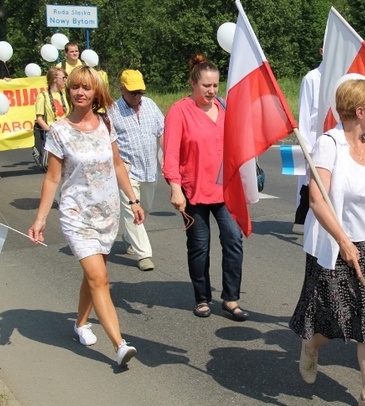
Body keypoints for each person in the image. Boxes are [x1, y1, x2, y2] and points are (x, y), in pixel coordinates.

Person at [289, 78, 365, 406]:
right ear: (359, 111)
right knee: (334, 318)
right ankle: (311, 346)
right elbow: (316, 200)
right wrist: (342, 240)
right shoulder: (330, 144)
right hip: (335, 246)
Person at [28, 65, 143, 368]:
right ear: (69, 91)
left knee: (95, 276)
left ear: (96, 93)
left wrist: (133, 200)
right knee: (99, 278)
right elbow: (53, 179)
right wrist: (40, 219)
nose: (80, 92)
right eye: (75, 87)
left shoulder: (106, 123)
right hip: (76, 214)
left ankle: (80, 323)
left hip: (107, 212)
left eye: (86, 88)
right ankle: (120, 345)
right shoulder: (59, 130)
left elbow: (118, 164)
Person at [163, 54, 249, 321]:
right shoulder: (179, 111)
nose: (212, 91)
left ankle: (231, 299)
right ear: (193, 84)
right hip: (194, 192)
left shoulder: (224, 107)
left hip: (226, 191)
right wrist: (175, 188)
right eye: (206, 86)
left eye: (215, 85)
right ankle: (202, 298)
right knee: (199, 246)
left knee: (233, 240)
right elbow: (171, 155)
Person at [108, 70, 164, 271]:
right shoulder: (112, 111)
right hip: (126, 169)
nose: (137, 96)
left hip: (149, 168)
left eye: (140, 91)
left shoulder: (150, 105)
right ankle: (144, 254)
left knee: (144, 207)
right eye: (133, 92)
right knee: (133, 207)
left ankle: (128, 235)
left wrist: (165, 155)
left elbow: (161, 131)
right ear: (122, 88)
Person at [293, 48, 323, 234]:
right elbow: (304, 113)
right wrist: (306, 146)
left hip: (335, 137)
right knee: (310, 181)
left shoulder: (344, 77)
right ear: (321, 51)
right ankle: (301, 219)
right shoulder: (312, 78)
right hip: (314, 137)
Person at [33, 68, 68, 170]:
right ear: (54, 79)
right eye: (63, 78)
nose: (65, 80)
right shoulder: (43, 96)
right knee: (55, 167)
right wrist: (50, 131)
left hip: (65, 133)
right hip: (52, 134)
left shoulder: (65, 95)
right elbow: (39, 118)